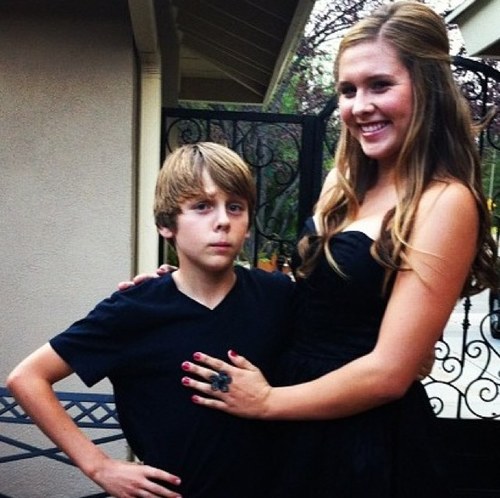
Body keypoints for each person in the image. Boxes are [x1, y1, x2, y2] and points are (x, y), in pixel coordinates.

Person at [175, 2, 498, 497]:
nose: (359, 106)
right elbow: (308, 298)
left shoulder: (444, 201)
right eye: (348, 90)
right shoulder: (343, 183)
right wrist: (191, 281)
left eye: (380, 85)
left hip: (359, 442)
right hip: (294, 418)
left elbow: (391, 372)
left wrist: (267, 402)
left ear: (428, 88)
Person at [6, 142, 295, 498]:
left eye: (235, 207)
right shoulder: (135, 309)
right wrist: (98, 466)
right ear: (166, 224)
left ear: (248, 224)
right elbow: (27, 378)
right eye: (202, 206)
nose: (222, 220)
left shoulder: (279, 296)